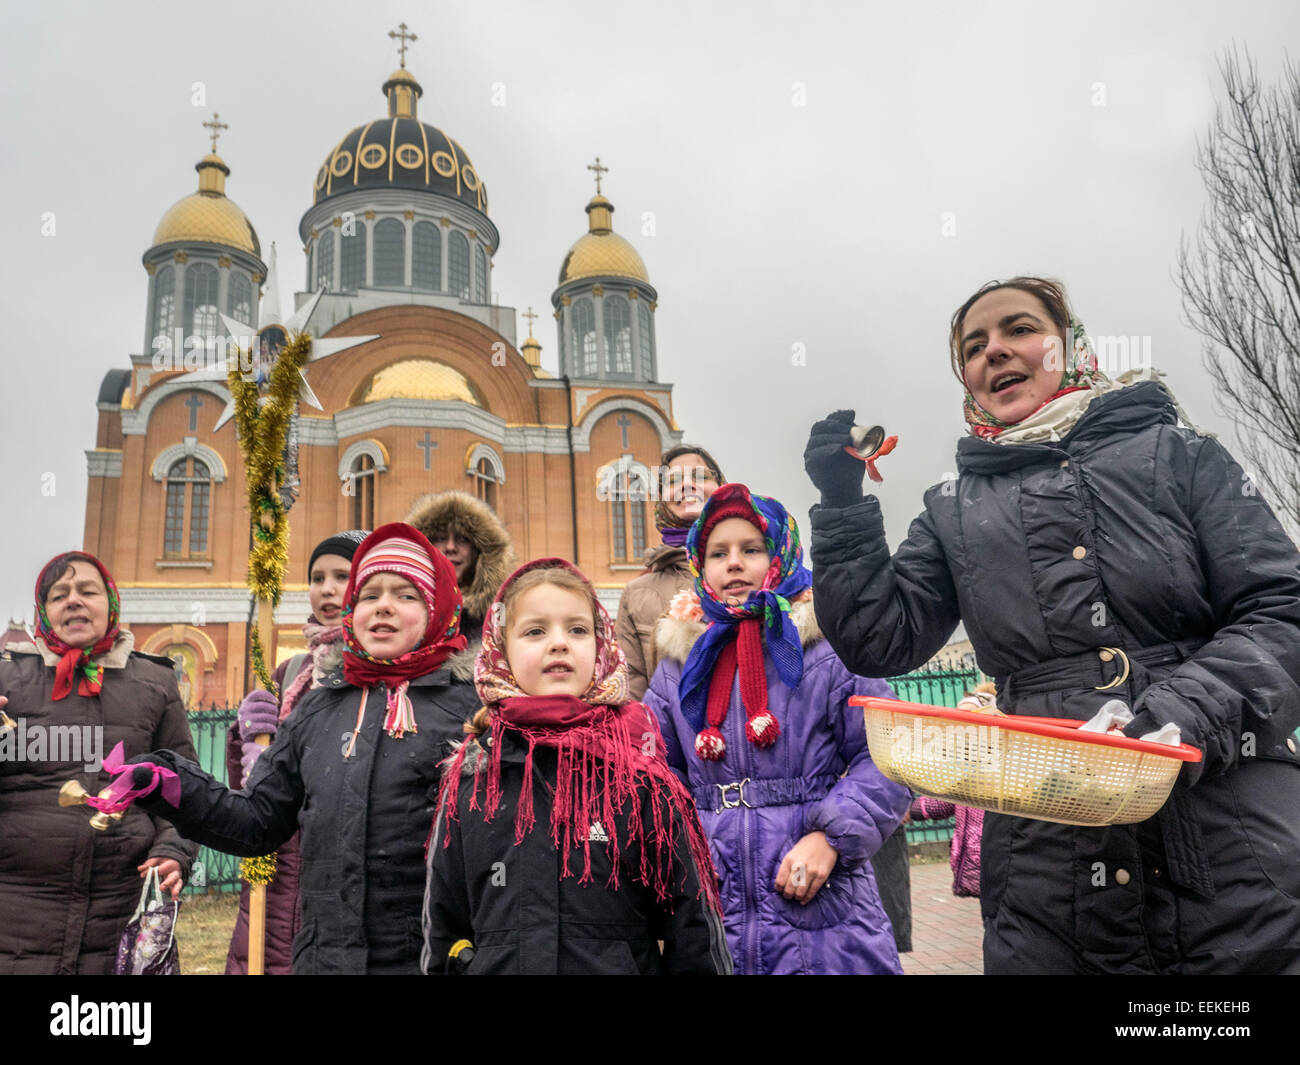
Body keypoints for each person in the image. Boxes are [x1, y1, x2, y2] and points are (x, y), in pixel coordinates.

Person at [804, 275, 1300, 975]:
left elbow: (1281, 611)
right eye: (974, 347)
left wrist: (1168, 723)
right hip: (1049, 871)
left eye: (1018, 329)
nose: (995, 351)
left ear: (1069, 345)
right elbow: (879, 638)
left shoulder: (1181, 456)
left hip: (1227, 842)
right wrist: (843, 505)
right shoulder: (955, 507)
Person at [126, 524, 479, 973]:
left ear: (438, 609)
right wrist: (170, 783)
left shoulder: (472, 709)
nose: (384, 606)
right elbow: (256, 822)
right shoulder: (318, 708)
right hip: (325, 957)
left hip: (432, 959)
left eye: (406, 595)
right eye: (370, 595)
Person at [643, 483, 910, 975]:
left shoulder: (826, 653)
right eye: (718, 553)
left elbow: (891, 754)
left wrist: (830, 838)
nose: (734, 563)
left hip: (823, 903)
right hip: (715, 898)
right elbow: (655, 775)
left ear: (781, 555)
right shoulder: (677, 668)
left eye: (751, 549)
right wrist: (688, 847)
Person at [423, 558, 731, 974]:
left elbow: (693, 927)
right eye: (535, 631)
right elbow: (445, 928)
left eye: (578, 630)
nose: (559, 643)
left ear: (601, 645)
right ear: (501, 650)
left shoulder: (643, 779)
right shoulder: (471, 782)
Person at [0, 551, 198, 974]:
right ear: (44, 611)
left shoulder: (154, 683)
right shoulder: (7, 682)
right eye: (59, 595)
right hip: (15, 917)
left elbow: (184, 790)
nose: (74, 600)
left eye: (88, 591)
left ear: (110, 603)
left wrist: (172, 851)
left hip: (121, 915)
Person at [223, 529, 368, 975]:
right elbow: (251, 793)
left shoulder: (383, 671)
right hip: (279, 874)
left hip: (342, 874)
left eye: (342, 575)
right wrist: (243, 742)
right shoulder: (292, 674)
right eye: (317, 577)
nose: (326, 588)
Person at [616, 444, 726, 699]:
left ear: (722, 488)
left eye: (700, 476)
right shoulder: (637, 593)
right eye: (674, 480)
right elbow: (633, 689)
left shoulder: (758, 567)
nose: (687, 485)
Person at [906, 683, 997, 899]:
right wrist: (910, 811)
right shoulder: (967, 767)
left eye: (968, 720)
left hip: (992, 863)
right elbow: (946, 801)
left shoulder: (995, 769)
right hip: (973, 864)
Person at [406, 489, 516, 648]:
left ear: (478, 550)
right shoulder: (402, 610)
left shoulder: (503, 616)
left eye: (462, 539)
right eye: (440, 538)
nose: (450, 547)